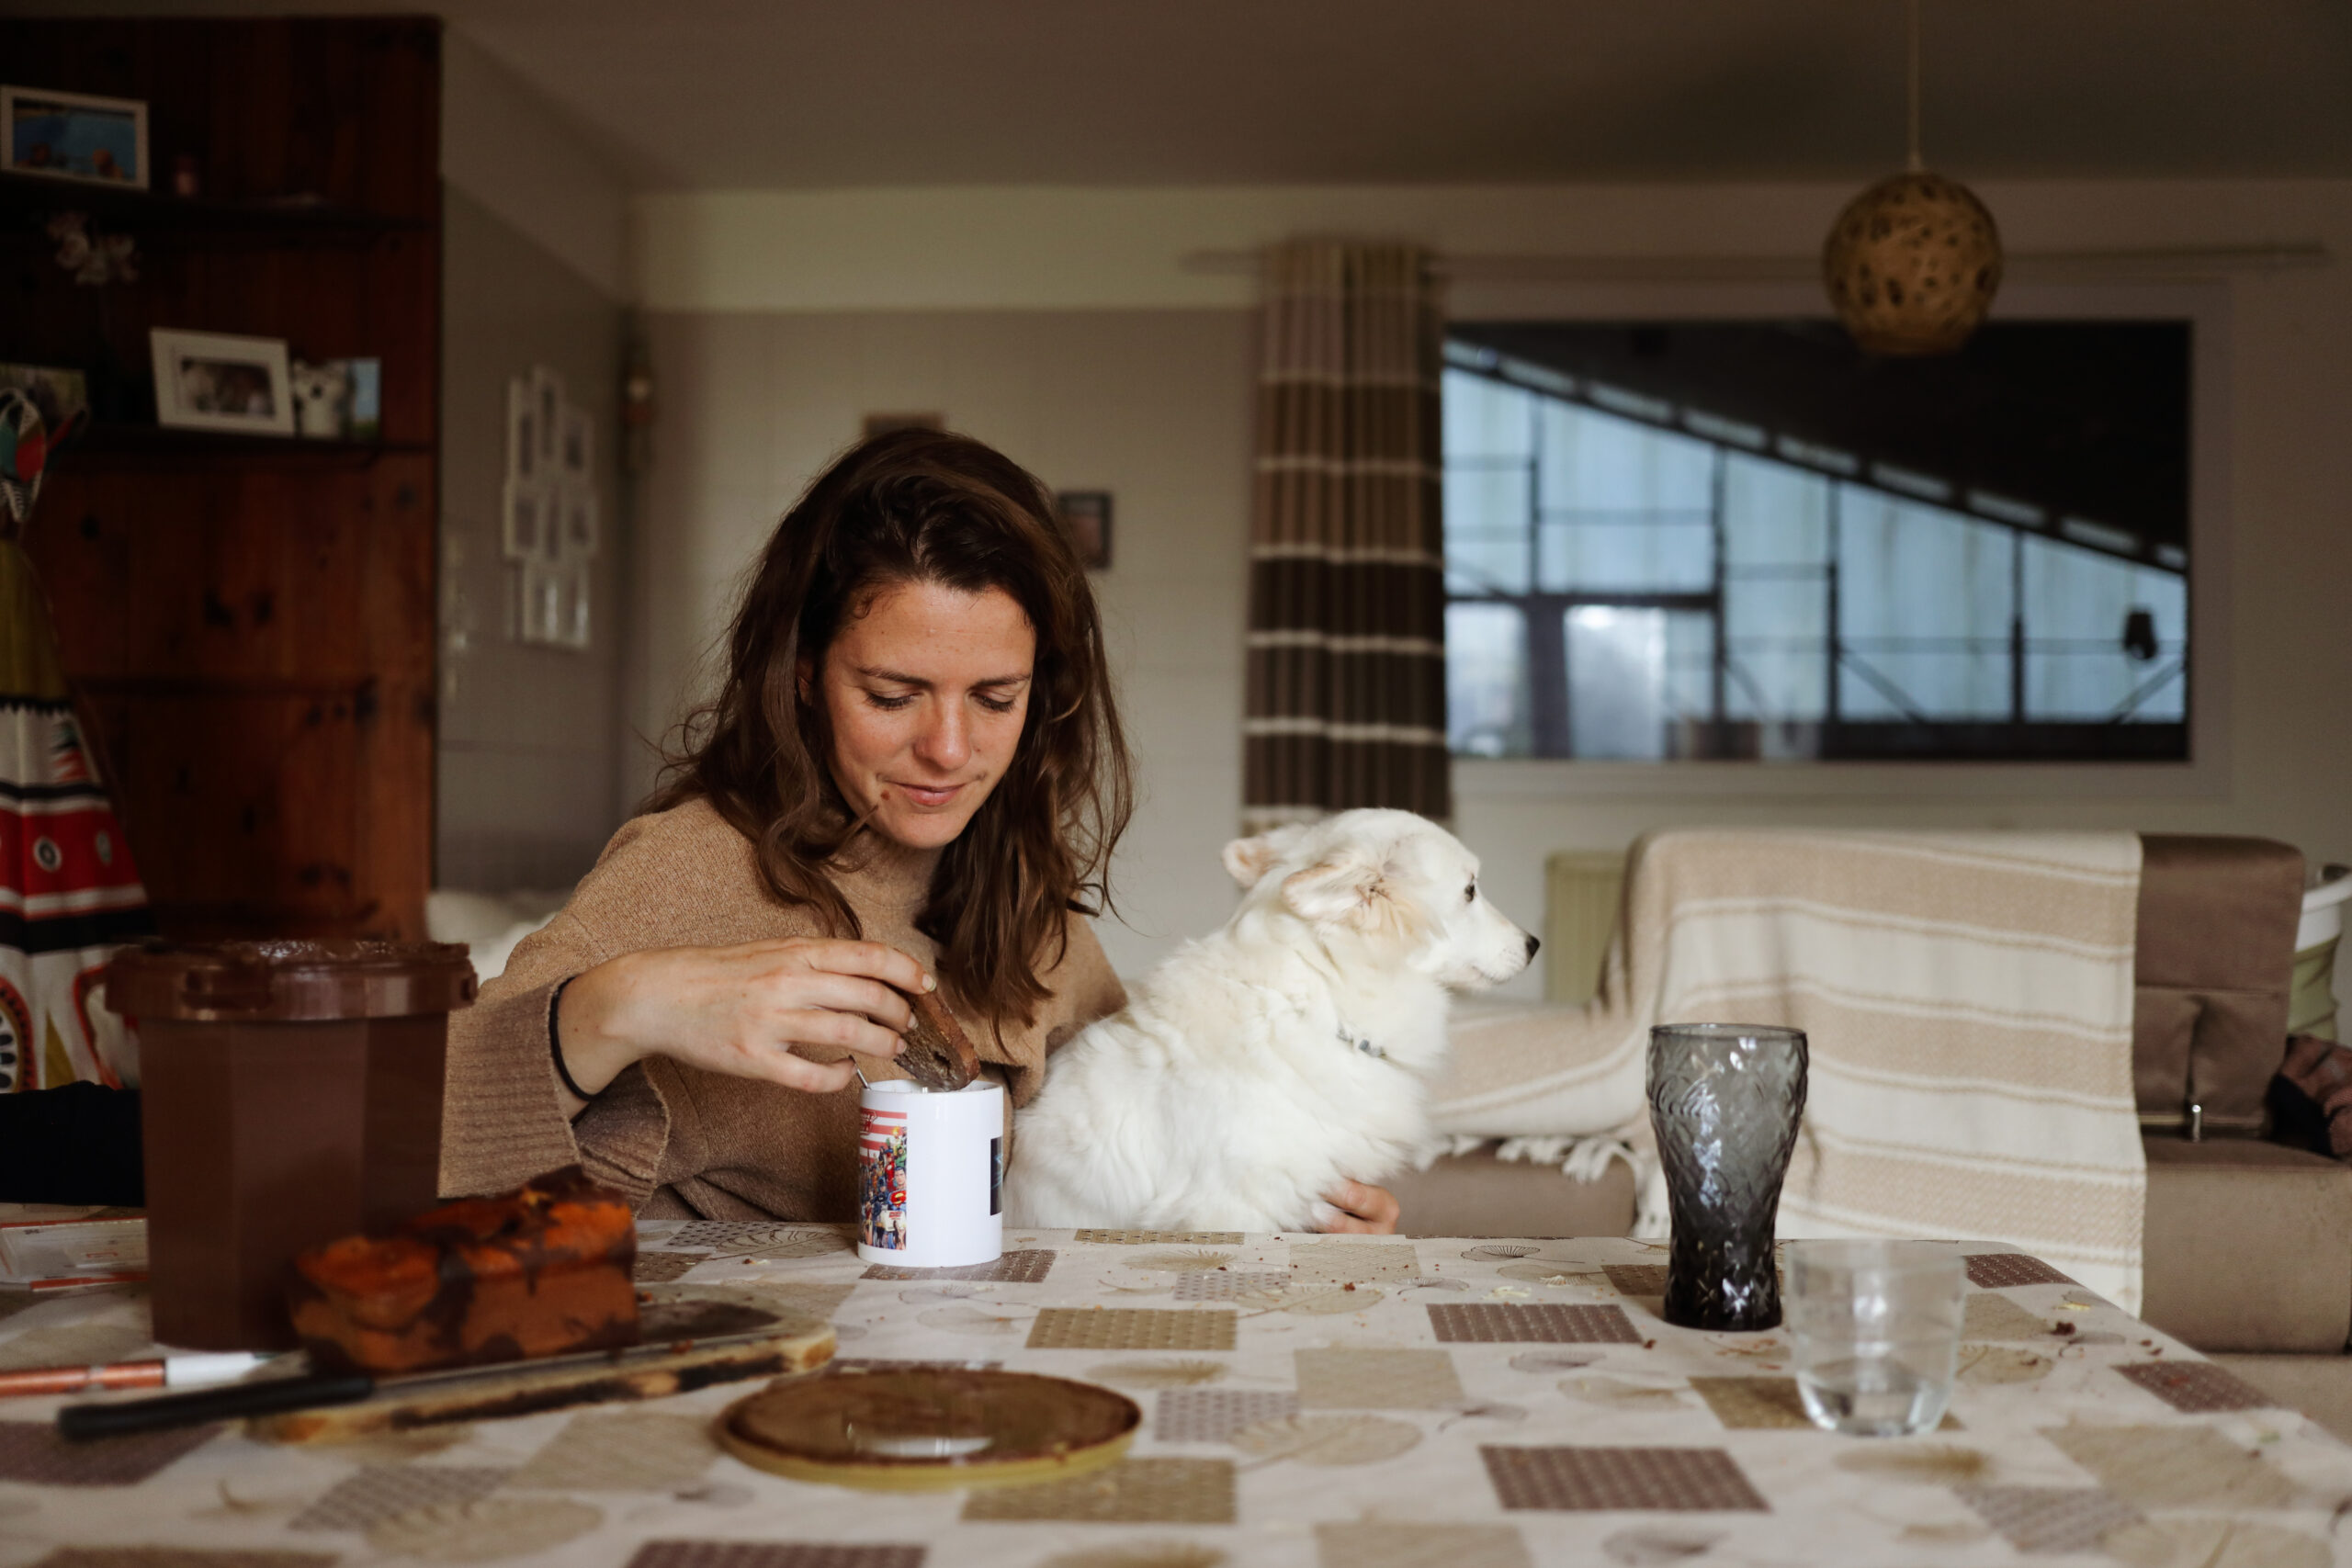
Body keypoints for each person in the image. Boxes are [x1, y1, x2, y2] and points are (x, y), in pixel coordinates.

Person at [441, 429, 1399, 1233]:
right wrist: (616, 1005)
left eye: (995, 697)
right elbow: (409, 1148)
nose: (948, 750)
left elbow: (1145, 1153)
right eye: (893, 695)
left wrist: (1300, 1216)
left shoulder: (1023, 904)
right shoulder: (685, 872)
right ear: (805, 672)